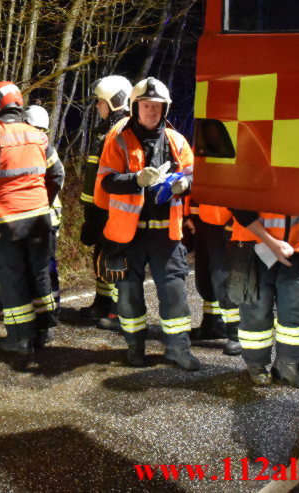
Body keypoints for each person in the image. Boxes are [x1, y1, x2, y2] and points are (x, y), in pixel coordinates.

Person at [95, 77, 199, 369]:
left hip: (167, 235)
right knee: (129, 295)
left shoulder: (177, 140)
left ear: (164, 109)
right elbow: (105, 182)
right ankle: (134, 348)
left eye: (157, 106)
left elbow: (194, 176)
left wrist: (184, 186)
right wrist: (136, 180)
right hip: (129, 235)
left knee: (175, 294)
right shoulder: (117, 139)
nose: (151, 111)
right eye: (146, 106)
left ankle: (178, 350)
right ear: (134, 107)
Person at [0, 82, 64, 355]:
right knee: (40, 275)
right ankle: (44, 331)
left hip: (5, 223)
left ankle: (20, 339)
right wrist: (43, 201)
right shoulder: (39, 136)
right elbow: (58, 175)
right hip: (40, 220)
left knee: (13, 279)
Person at [229, 210, 299, 390]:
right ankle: (256, 364)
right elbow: (238, 207)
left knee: (295, 307)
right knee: (256, 310)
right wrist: (271, 242)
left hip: (293, 248)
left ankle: (289, 365)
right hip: (253, 246)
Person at [79, 75, 133, 331]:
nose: (97, 106)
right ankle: (102, 301)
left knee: (115, 258)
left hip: (114, 210)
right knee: (100, 256)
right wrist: (91, 211)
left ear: (115, 101)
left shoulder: (123, 129)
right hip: (99, 208)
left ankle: (117, 308)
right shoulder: (105, 129)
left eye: (100, 102)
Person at [188, 202, 242, 355]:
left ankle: (237, 333)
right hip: (204, 217)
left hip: (227, 220)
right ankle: (213, 323)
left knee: (223, 276)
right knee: (206, 275)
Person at [23, 105, 62, 310]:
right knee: (47, 267)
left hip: (40, 218)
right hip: (49, 219)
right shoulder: (45, 146)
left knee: (40, 268)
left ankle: (44, 312)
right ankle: (50, 310)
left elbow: (57, 177)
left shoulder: (33, 148)